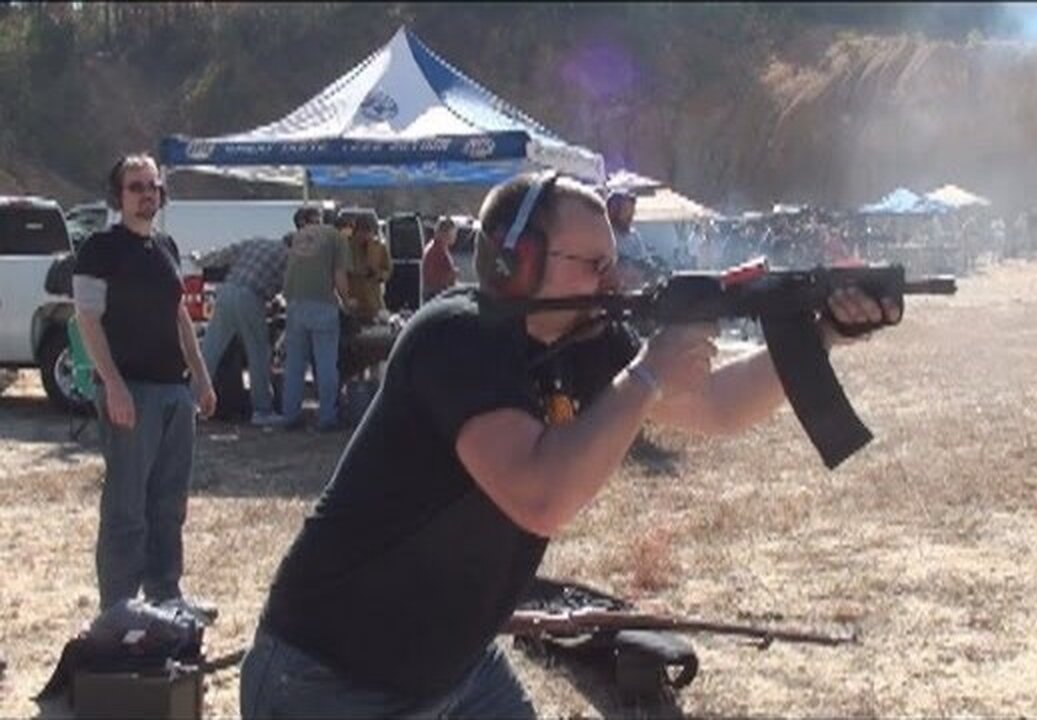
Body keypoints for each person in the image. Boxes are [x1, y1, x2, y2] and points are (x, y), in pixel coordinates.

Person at [238, 171, 899, 718]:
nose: (613, 280)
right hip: (328, 677)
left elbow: (719, 406)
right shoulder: (456, 337)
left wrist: (820, 334)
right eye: (593, 264)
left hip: (453, 666)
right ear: (515, 262)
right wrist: (646, 374)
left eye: (613, 261)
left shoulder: (588, 338)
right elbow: (541, 497)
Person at [71, 153, 218, 622]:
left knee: (169, 502)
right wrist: (112, 384)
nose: (145, 194)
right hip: (129, 391)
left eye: (152, 186)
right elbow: (87, 318)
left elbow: (179, 316)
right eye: (135, 187)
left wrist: (200, 375)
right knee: (126, 506)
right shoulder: (100, 248)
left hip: (173, 393)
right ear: (119, 195)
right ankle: (118, 606)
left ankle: (165, 594)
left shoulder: (167, 248)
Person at [193, 232, 289, 426]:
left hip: (227, 291)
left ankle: (190, 402)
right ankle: (262, 410)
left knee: (209, 352)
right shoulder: (289, 257)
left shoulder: (257, 242)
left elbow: (223, 255)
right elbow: (289, 291)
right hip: (250, 296)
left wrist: (200, 260)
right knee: (258, 354)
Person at [272, 207, 351, 432]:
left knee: (295, 364)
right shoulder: (336, 237)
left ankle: (290, 415)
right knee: (326, 363)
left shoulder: (297, 237)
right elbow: (339, 275)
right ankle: (327, 417)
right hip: (322, 304)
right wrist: (347, 301)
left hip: (295, 304)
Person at [343, 214, 391, 324]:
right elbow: (342, 270)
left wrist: (378, 275)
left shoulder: (379, 247)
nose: (366, 236)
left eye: (369, 232)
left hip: (373, 301)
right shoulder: (347, 247)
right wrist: (357, 272)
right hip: (354, 300)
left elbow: (387, 270)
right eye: (362, 232)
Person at [421, 216, 459, 301]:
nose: (455, 236)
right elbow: (434, 278)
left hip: (436, 294)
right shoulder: (437, 250)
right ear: (444, 233)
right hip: (436, 295)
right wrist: (451, 275)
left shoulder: (440, 248)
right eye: (453, 233)